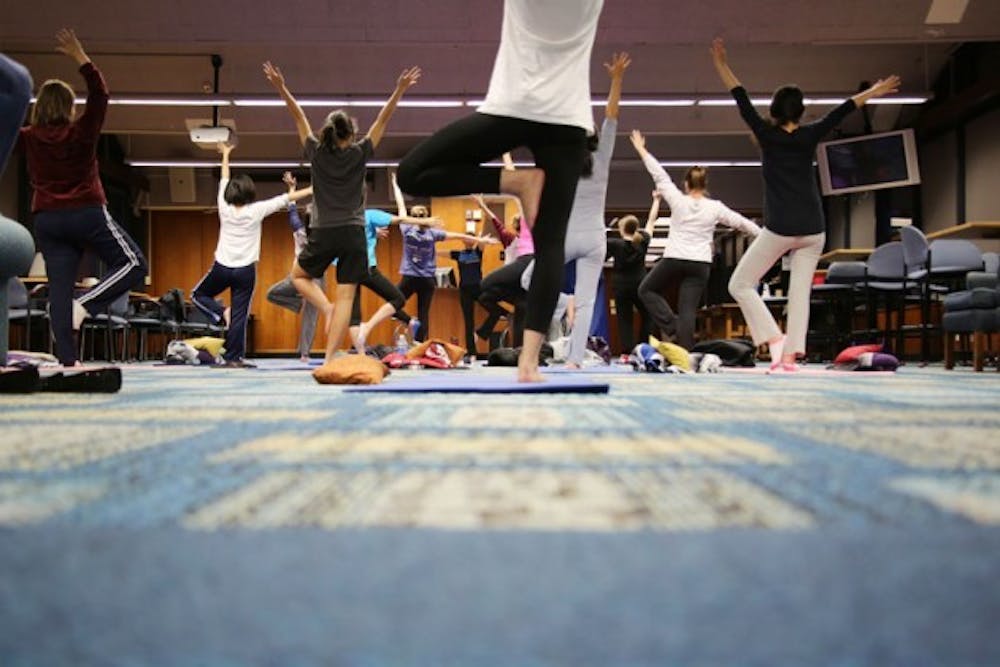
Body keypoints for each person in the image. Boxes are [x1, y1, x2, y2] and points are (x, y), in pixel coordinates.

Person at [397, 0, 604, 382]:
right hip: (562, 118)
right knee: (551, 244)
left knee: (411, 174)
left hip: (518, 107)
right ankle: (527, 363)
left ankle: (529, 360)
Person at [710, 37, 900, 371]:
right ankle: (789, 357)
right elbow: (844, 109)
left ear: (773, 111)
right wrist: (874, 92)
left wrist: (721, 64)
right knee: (800, 294)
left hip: (781, 228)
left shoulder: (766, 135)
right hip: (814, 229)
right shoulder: (810, 133)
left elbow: (740, 98)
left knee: (739, 283)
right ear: (800, 112)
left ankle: (773, 338)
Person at [264, 61, 420, 364]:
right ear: (351, 133)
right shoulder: (360, 152)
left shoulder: (315, 151)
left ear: (329, 133)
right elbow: (382, 121)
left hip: (324, 231)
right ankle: (332, 354)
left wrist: (281, 86)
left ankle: (326, 308)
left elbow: (298, 116)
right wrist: (399, 90)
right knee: (347, 296)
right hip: (353, 233)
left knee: (299, 276)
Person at [17, 29, 147, 367]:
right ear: (67, 107)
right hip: (86, 212)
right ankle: (86, 304)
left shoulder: (28, 137)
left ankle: (68, 362)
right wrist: (81, 58)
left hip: (47, 219)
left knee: (59, 288)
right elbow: (100, 95)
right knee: (135, 264)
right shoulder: (80, 131)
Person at [521, 51, 631, 368]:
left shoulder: (560, 161)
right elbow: (612, 116)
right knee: (586, 302)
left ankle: (560, 303)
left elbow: (544, 130)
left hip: (566, 236)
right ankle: (574, 361)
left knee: (529, 280)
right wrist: (617, 79)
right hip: (595, 238)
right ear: (595, 138)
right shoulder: (604, 155)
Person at [632, 130, 761, 350]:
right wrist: (763, 236)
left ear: (686, 184)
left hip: (674, 257)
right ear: (704, 184)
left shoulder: (677, 200)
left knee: (646, 290)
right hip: (700, 262)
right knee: (688, 310)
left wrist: (641, 149)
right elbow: (740, 222)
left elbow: (659, 175)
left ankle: (673, 327)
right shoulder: (715, 207)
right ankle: (687, 350)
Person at [193, 144, 313, 368]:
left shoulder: (224, 207)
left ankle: (221, 313)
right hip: (245, 270)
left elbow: (224, 177)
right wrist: (313, 188)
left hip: (222, 267)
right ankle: (233, 358)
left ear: (231, 193)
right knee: (239, 315)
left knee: (198, 295)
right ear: (250, 193)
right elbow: (289, 198)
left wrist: (226, 154)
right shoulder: (257, 209)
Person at [350, 172, 449, 352]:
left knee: (354, 313)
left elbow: (401, 209)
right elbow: (401, 217)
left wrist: (396, 187)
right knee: (404, 303)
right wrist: (479, 241)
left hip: (351, 269)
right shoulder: (429, 233)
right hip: (414, 276)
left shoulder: (405, 230)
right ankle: (414, 341)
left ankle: (360, 352)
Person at [265, 172, 322, 363]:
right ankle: (299, 304)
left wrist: (292, 189)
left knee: (274, 295)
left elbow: (291, 210)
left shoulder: (300, 229)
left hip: (306, 276)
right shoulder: (325, 235)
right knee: (308, 314)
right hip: (304, 277)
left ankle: (305, 352)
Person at [605, 210, 654, 355]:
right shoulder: (643, 241)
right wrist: (656, 201)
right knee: (648, 315)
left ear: (621, 229)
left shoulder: (614, 244)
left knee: (624, 319)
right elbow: (651, 222)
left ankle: (627, 352)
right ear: (636, 228)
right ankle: (643, 347)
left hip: (621, 285)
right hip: (640, 284)